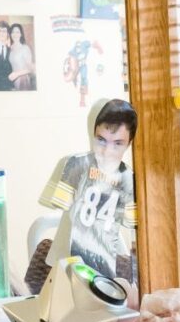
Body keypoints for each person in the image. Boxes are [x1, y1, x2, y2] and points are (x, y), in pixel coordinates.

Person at [25, 99, 140, 290]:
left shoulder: (127, 178)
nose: (108, 149)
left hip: (106, 264)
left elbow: (128, 223)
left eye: (118, 142)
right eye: (102, 138)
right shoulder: (73, 165)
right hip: (66, 261)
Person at [8, 22, 37, 91]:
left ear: (21, 34)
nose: (15, 34)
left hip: (23, 80)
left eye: (17, 32)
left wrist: (17, 74)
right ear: (10, 34)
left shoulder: (25, 48)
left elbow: (31, 69)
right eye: (13, 32)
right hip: (13, 81)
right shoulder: (10, 48)